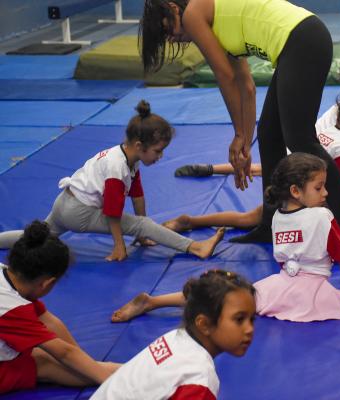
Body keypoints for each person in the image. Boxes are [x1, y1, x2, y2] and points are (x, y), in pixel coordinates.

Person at [112, 154, 340, 325]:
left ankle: (154, 301)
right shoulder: (322, 216)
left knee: (223, 299)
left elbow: (286, 254)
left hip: (281, 282)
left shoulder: (278, 216)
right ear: (297, 191)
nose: (325, 194)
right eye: (320, 188)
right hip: (307, 286)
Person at [139, 0, 340, 248]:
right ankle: (270, 224)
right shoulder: (219, 25)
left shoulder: (194, 13)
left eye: (167, 30)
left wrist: (239, 134)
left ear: (174, 10)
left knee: (300, 139)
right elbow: (246, 87)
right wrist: (245, 142)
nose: (171, 39)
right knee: (269, 136)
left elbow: (224, 75)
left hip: (303, 39)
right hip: (300, 41)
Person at [163, 95, 340, 235]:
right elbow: (335, 191)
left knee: (249, 217)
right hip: (300, 191)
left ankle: (192, 220)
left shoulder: (332, 115)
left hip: (290, 169)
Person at [0, 100, 224, 261]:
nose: (160, 157)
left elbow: (137, 194)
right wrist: (120, 245)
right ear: (139, 146)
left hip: (63, 203)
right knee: (143, 224)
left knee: (35, 237)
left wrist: (141, 234)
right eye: (157, 151)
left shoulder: (127, 156)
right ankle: (195, 248)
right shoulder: (117, 167)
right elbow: (112, 211)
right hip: (78, 212)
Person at [175, 64, 340, 180]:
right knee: (260, 169)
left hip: (313, 150)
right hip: (306, 155)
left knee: (260, 169)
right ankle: (210, 168)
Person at [92, 270, 255, 399]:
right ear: (204, 324)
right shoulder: (199, 379)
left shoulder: (175, 338)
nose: (249, 329)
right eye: (239, 319)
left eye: (252, 319)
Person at [0, 221, 119, 394]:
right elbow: (64, 353)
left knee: (75, 364)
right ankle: (133, 378)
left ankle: (131, 373)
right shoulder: (14, 309)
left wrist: (87, 362)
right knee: (45, 364)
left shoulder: (9, 277)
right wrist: (113, 383)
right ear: (48, 283)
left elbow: (48, 320)